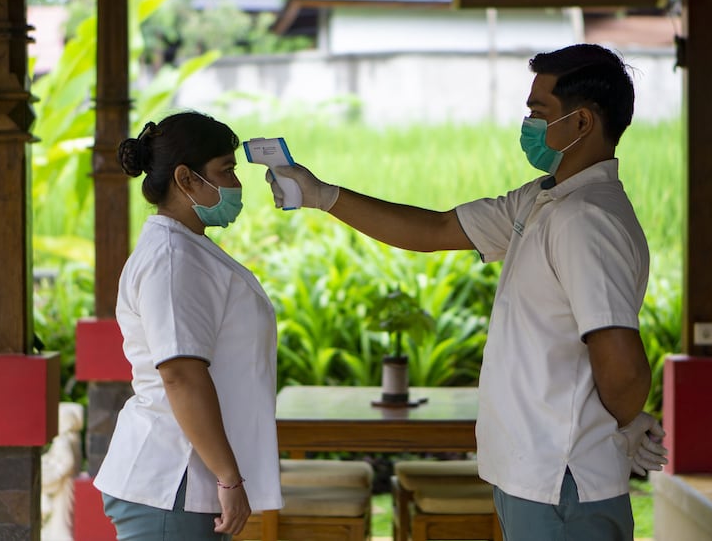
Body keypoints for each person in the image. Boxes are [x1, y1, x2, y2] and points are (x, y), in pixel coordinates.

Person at [266, 44, 667, 540]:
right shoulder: (542, 201)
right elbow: (435, 230)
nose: (528, 124)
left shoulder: (584, 220)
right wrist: (321, 195)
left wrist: (621, 425)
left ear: (582, 123)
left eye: (537, 113)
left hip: (562, 479)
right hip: (538, 476)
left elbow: (623, 369)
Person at [94, 111, 282, 540]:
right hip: (172, 480)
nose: (236, 185)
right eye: (226, 170)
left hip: (183, 480)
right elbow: (180, 374)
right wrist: (229, 479)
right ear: (187, 179)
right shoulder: (173, 259)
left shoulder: (186, 248)